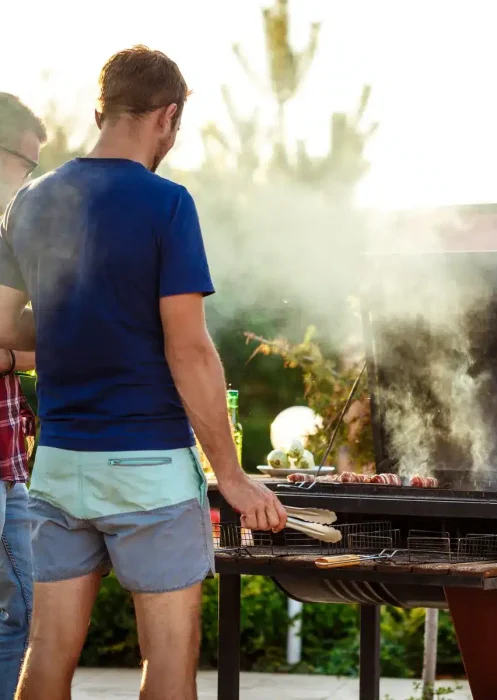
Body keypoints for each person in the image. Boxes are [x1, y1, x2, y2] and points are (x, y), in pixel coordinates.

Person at [0, 47, 288, 699]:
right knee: (167, 667)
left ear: (101, 110)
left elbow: (4, 327)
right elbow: (188, 350)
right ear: (168, 115)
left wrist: (83, 320)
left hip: (61, 462)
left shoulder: (31, 201)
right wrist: (233, 477)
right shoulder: (166, 204)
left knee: (45, 657)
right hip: (148, 471)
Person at [0, 93, 42, 700]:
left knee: (30, 613)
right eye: (26, 162)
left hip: (10, 466)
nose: (31, 178)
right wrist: (15, 354)